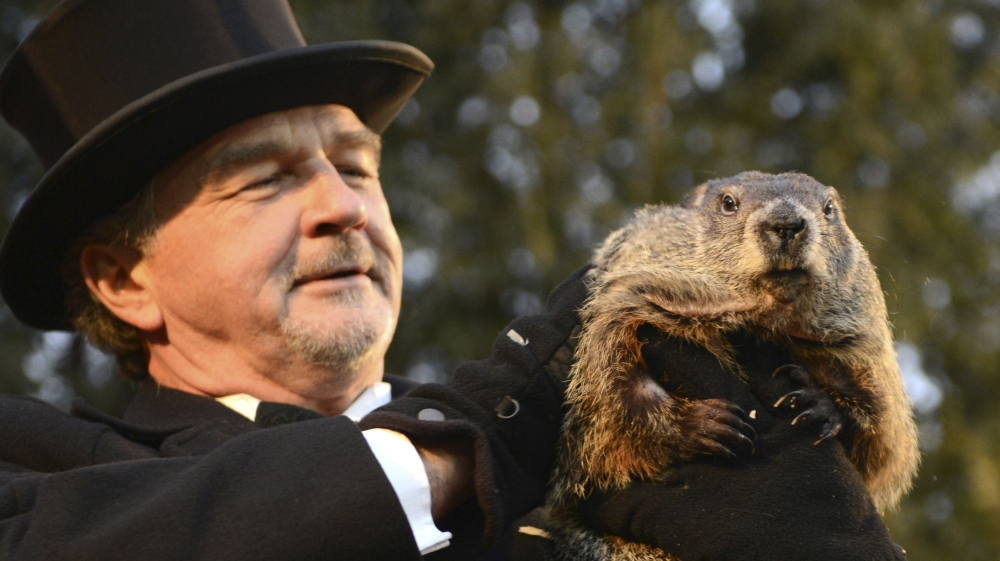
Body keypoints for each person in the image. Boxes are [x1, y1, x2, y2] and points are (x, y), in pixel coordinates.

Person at [0, 1, 908, 560]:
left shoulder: (562, 490)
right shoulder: (41, 479)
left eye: (357, 167)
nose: (341, 206)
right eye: (267, 178)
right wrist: (479, 436)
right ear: (123, 279)